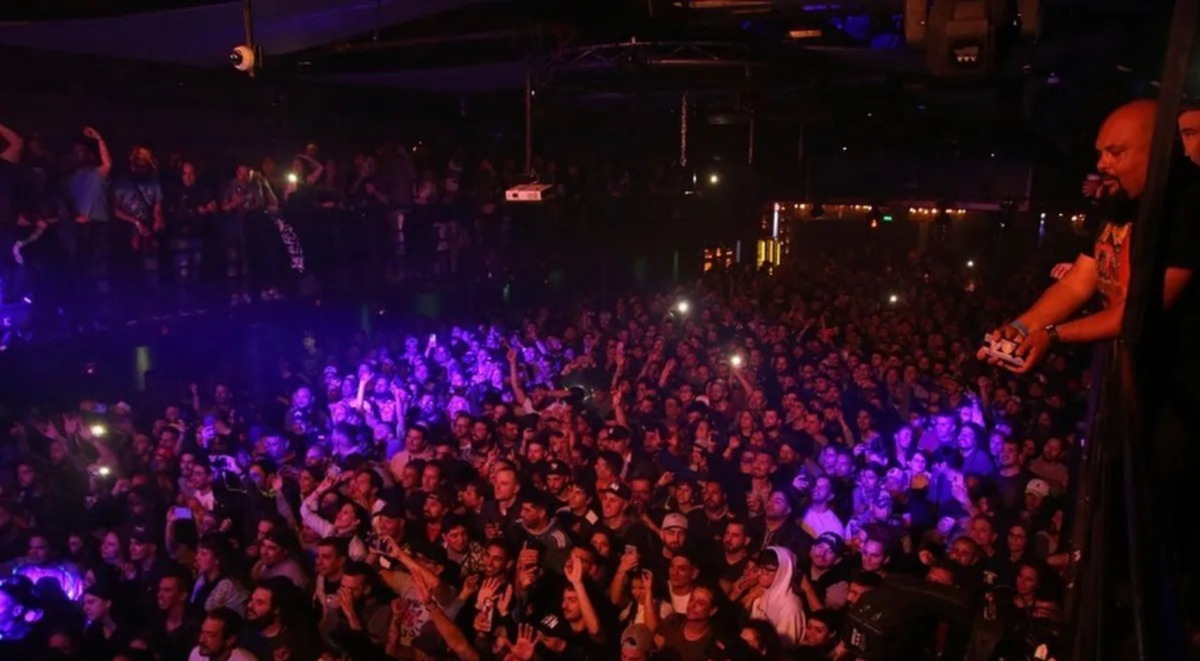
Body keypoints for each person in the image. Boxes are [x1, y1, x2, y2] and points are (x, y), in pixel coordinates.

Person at [189, 607, 257, 661]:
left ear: (230, 640)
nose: (201, 640)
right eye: (202, 632)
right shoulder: (196, 654)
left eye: (210, 635)